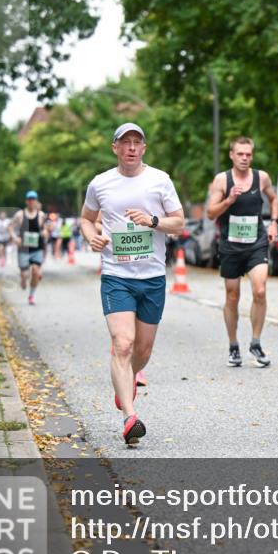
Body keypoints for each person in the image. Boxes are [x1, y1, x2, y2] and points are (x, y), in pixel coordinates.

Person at [79, 122, 184, 446]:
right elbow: (85, 218)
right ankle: (129, 416)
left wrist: (152, 221)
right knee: (122, 343)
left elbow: (178, 223)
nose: (132, 148)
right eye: (126, 142)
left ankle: (123, 381)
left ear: (144, 148)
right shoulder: (100, 184)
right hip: (116, 276)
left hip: (152, 277)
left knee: (142, 349)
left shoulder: (160, 180)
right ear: (115, 148)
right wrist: (92, 237)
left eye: (137, 142)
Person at [204, 137, 278, 367]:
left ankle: (255, 342)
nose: (244, 158)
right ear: (231, 155)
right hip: (231, 246)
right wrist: (229, 200)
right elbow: (210, 212)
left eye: (248, 154)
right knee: (232, 296)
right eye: (240, 154)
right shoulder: (222, 180)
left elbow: (274, 199)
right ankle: (233, 345)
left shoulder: (261, 177)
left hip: (256, 242)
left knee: (259, 289)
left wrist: (274, 222)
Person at [9, 191, 49, 305]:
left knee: (36, 272)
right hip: (23, 249)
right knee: (25, 274)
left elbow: (46, 228)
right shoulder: (20, 215)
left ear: (36, 201)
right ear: (26, 201)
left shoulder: (41, 215)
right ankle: (23, 279)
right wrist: (15, 238)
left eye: (33, 199)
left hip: (37, 248)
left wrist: (45, 232)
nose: (31, 202)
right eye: (29, 200)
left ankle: (31, 295)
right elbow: (11, 227)